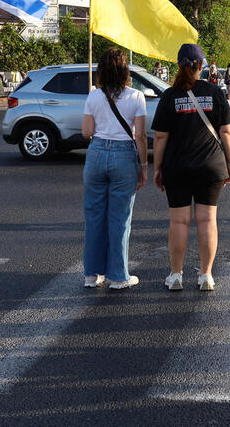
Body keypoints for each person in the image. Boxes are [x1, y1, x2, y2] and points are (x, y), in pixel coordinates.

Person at [152, 43, 230, 291]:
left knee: (178, 222)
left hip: (176, 167)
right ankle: (206, 276)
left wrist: (157, 168)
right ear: (202, 66)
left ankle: (176, 275)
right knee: (207, 220)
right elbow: (226, 132)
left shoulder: (169, 96)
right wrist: (229, 163)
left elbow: (160, 137)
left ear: (178, 65)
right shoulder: (215, 92)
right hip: (210, 166)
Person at [81, 48, 148, 289]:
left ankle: (91, 275)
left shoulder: (93, 96)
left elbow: (86, 132)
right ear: (124, 70)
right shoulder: (136, 97)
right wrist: (144, 166)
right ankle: (118, 276)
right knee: (120, 218)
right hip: (124, 156)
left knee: (94, 216)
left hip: (96, 154)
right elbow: (140, 136)